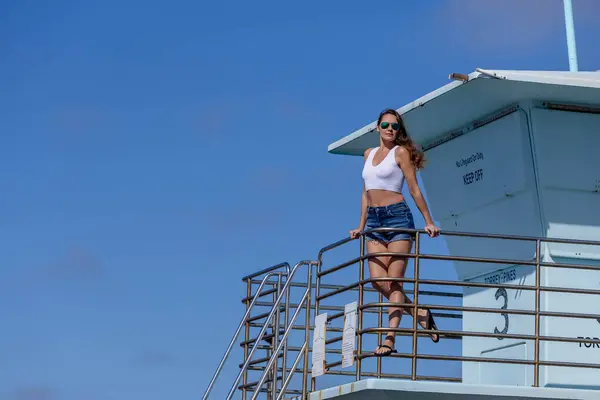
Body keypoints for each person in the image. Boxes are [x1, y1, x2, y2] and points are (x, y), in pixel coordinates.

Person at [349, 108, 441, 357]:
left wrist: (428, 221)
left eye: (395, 126)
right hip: (375, 223)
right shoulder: (368, 154)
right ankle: (420, 313)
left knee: (394, 281)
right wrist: (361, 225)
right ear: (377, 127)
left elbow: (414, 189)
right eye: (386, 125)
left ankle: (389, 339)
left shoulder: (400, 153)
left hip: (398, 217)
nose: (390, 129)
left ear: (399, 131)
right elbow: (365, 192)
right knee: (378, 281)